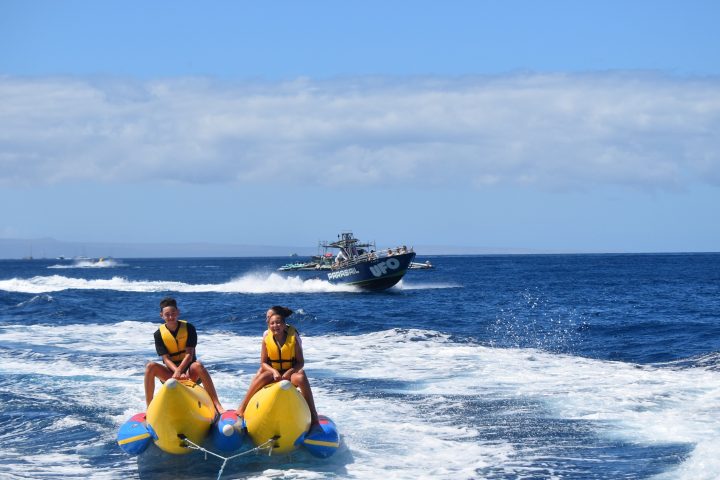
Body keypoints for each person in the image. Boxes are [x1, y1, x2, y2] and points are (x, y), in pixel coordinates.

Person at [237, 306, 319, 428]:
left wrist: (289, 372)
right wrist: (274, 371)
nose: (274, 325)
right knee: (262, 374)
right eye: (271, 322)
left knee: (301, 376)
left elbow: (300, 362)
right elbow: (263, 362)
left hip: (290, 373)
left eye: (277, 322)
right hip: (273, 373)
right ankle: (243, 408)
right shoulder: (267, 337)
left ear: (284, 324)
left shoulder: (293, 337)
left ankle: (313, 414)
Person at [144, 297, 225, 413]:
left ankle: (217, 405)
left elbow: (189, 355)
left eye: (173, 313)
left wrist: (180, 371)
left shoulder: (189, 328)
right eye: (167, 315)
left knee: (198, 365)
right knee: (150, 366)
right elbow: (165, 359)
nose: (171, 317)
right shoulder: (158, 334)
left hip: (189, 373)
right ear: (161, 315)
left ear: (178, 312)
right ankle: (149, 408)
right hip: (171, 374)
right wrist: (176, 372)